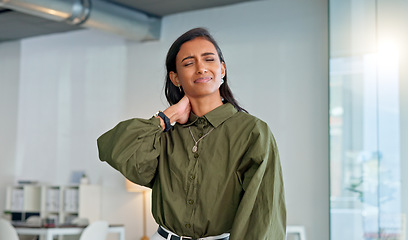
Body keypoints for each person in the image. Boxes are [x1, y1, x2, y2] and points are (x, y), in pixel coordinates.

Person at [97, 27, 286, 240]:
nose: (201, 68)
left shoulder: (252, 132)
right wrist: (167, 116)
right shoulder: (165, 132)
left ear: (222, 69)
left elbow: (263, 211)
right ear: (175, 77)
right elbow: (114, 149)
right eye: (189, 63)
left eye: (209, 60)